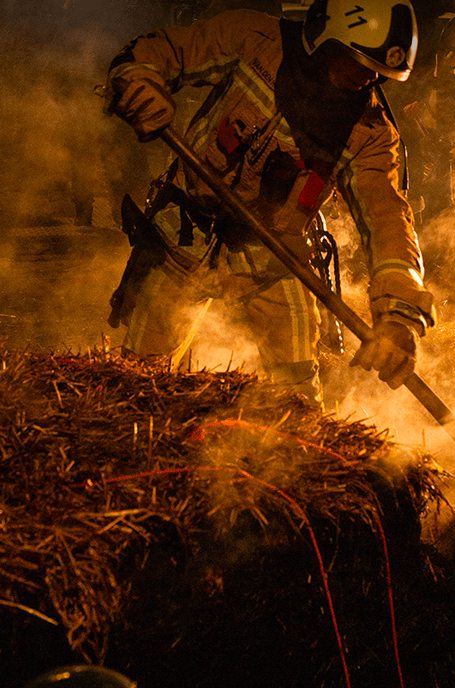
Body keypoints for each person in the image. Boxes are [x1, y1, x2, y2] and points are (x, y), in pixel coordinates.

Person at [103, 0, 435, 405]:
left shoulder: (370, 132)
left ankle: (296, 451)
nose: (366, 80)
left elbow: (388, 223)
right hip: (183, 237)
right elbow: (169, 49)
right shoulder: (254, 39)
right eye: (358, 63)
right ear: (323, 39)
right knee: (142, 381)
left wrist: (400, 314)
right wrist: (139, 78)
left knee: (296, 394)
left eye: (377, 73)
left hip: (272, 258)